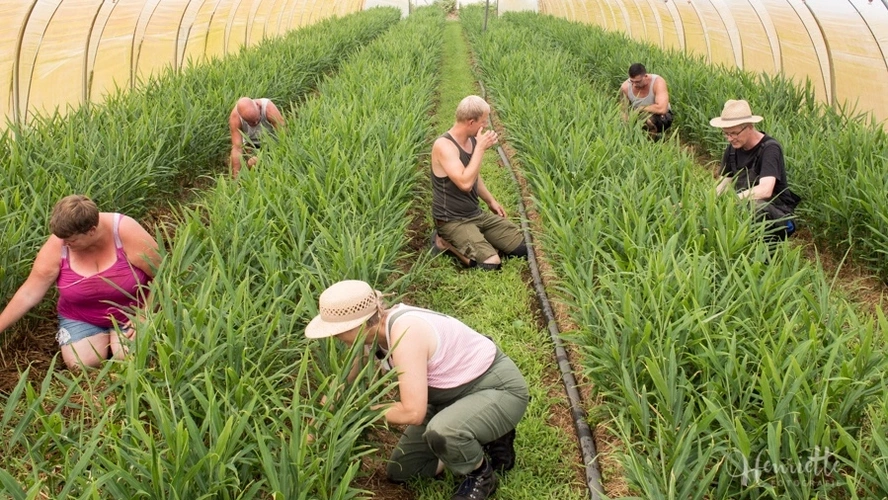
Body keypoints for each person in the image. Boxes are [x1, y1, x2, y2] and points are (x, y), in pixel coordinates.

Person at [305, 280, 529, 500]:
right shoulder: (369, 338)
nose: (333, 336)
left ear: (362, 324)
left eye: (338, 330)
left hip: (496, 388)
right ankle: (474, 433)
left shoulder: (406, 333)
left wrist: (355, 410)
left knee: (443, 432)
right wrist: (310, 435)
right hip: (448, 396)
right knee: (403, 470)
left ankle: (480, 475)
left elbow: (412, 413)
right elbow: (345, 383)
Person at [0, 195, 160, 370]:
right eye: (62, 238)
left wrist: (146, 313)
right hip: (81, 315)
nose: (65, 244)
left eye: (72, 240)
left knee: (128, 356)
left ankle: (119, 341)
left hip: (131, 310)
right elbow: (28, 293)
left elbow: (163, 274)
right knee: (81, 364)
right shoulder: (60, 243)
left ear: (92, 230)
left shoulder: (125, 231)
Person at [430, 95, 528, 271]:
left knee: (522, 248)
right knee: (491, 264)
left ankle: (479, 238)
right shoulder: (444, 146)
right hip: (452, 220)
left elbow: (474, 176)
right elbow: (465, 183)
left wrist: (491, 201)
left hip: (475, 214)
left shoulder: (472, 140)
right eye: (483, 122)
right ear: (470, 122)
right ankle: (444, 243)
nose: (486, 126)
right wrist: (481, 149)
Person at [710, 99, 801, 240]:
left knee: (754, 206)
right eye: (726, 133)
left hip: (778, 215)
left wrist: (732, 201)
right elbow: (722, 187)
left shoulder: (770, 148)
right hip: (744, 207)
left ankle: (765, 253)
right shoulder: (732, 149)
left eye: (734, 133)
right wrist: (703, 203)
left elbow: (765, 190)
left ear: (750, 127)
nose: (730, 138)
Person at [229, 96, 285, 178]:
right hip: (251, 144)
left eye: (257, 119)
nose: (255, 123)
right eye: (251, 122)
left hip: (272, 142)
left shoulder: (268, 108)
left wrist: (278, 153)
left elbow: (283, 136)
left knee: (257, 162)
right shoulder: (235, 117)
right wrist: (235, 179)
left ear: (258, 106)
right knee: (236, 161)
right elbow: (237, 148)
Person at [620, 63, 673, 139]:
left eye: (638, 81)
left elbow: (662, 109)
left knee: (647, 121)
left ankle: (651, 144)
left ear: (645, 76)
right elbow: (624, 110)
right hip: (637, 116)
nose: (634, 84)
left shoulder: (658, 82)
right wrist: (627, 122)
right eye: (632, 81)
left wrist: (640, 108)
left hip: (661, 116)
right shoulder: (625, 87)